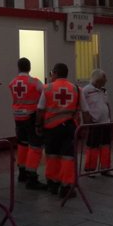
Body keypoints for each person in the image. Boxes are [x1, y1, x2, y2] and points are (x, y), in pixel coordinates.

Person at [36, 62, 82, 198]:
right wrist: (87, 128)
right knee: (68, 157)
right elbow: (85, 110)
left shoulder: (47, 88)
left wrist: (38, 126)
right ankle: (67, 186)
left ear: (55, 73)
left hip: (51, 129)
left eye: (52, 73)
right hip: (70, 128)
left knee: (52, 156)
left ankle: (53, 184)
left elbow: (40, 109)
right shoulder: (77, 89)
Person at [7, 57, 47, 190]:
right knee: (35, 146)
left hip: (17, 118)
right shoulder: (34, 82)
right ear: (29, 68)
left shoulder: (12, 82)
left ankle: (22, 172)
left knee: (22, 145)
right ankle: (32, 176)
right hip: (31, 117)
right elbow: (45, 93)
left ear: (18, 68)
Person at [80, 69, 113, 177]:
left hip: (105, 123)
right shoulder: (86, 91)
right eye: (104, 78)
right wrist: (87, 121)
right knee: (92, 146)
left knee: (106, 145)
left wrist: (110, 118)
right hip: (94, 123)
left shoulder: (104, 90)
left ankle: (105, 168)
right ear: (98, 80)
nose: (106, 80)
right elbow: (83, 107)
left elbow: (107, 105)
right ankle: (90, 169)